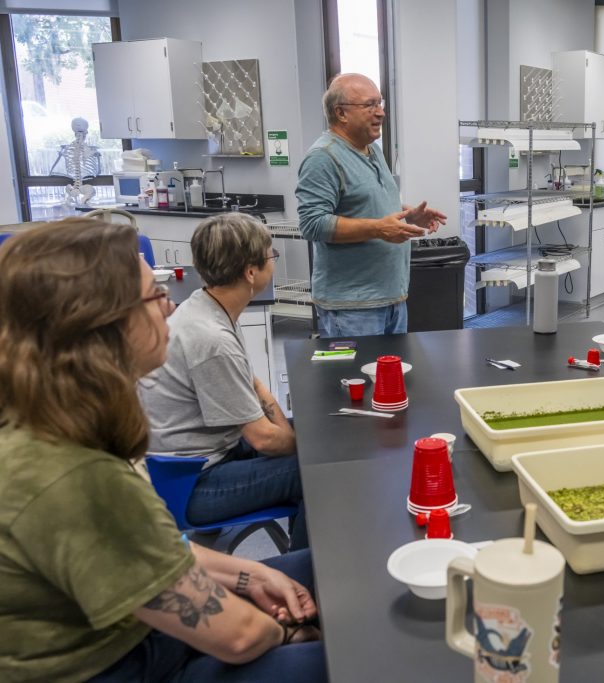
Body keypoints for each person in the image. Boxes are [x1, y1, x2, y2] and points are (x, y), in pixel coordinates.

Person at [0, 219, 326, 682]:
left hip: (143, 634)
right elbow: (238, 637)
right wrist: (288, 629)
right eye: (154, 296)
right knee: (343, 660)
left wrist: (249, 577)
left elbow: (156, 552)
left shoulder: (61, 426)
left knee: (322, 571)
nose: (169, 307)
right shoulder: (72, 477)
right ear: (102, 326)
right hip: (129, 665)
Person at [139, 213, 307, 551]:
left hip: (205, 455)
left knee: (306, 433)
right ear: (250, 272)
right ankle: (305, 570)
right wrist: (302, 443)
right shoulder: (212, 339)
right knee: (313, 471)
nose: (272, 262)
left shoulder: (207, 306)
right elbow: (263, 440)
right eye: (271, 255)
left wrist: (287, 427)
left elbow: (250, 381)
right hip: (190, 485)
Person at [296, 72, 447, 337]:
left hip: (391, 299)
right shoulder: (323, 157)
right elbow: (312, 224)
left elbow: (370, 206)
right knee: (358, 379)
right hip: (352, 308)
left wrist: (409, 217)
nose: (380, 113)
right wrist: (378, 229)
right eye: (370, 105)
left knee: (390, 379)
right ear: (341, 113)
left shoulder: (373, 149)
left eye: (380, 103)